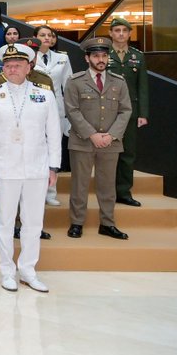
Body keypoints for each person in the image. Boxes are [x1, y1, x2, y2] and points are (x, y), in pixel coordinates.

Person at [0, 44, 61, 293]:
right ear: (3, 68)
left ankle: (28, 270)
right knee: (4, 222)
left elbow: (54, 133)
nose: (12, 69)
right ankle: (7, 270)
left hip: (37, 168)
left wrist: (53, 167)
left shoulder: (44, 95)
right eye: (8, 65)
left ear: (28, 67)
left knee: (34, 222)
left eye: (18, 65)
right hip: (4, 168)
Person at [65, 37, 133, 240]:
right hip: (82, 141)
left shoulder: (118, 82)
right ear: (87, 58)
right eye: (96, 55)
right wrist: (92, 134)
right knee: (80, 185)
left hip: (110, 143)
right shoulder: (75, 81)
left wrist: (111, 135)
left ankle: (107, 223)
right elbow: (72, 110)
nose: (100, 59)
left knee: (107, 185)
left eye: (104, 55)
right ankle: (77, 222)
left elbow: (126, 110)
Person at [107, 17, 149, 206]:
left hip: (130, 111)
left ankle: (123, 192)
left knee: (127, 153)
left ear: (130, 33)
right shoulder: (102, 54)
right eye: (117, 30)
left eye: (125, 30)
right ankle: (107, 192)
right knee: (107, 153)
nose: (121, 34)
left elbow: (143, 87)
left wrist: (143, 113)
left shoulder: (137, 56)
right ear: (110, 33)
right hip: (106, 111)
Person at [33, 25, 72, 208]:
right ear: (35, 38)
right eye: (42, 35)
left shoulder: (62, 58)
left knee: (53, 150)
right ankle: (35, 192)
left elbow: (68, 86)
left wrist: (70, 112)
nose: (47, 38)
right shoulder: (29, 57)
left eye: (50, 35)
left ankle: (51, 192)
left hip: (56, 109)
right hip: (34, 108)